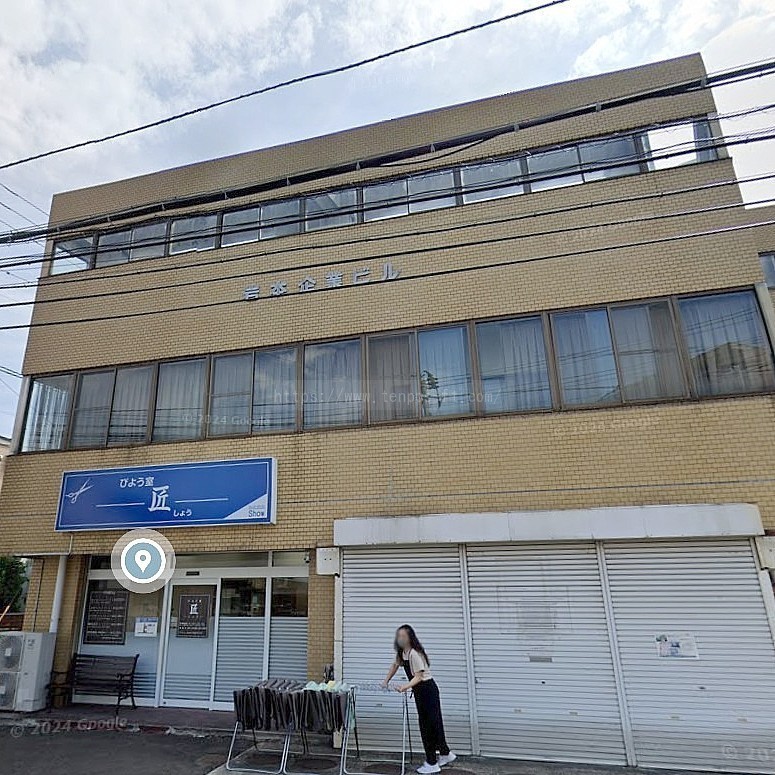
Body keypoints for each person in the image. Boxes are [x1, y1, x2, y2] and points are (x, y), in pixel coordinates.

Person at [381, 624, 456, 774]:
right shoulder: (402, 653)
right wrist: (386, 681)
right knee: (432, 724)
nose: (400, 638)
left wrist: (405, 687)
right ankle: (445, 753)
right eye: (399, 635)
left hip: (428, 690)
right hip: (420, 692)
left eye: (403, 636)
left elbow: (419, 676)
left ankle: (432, 763)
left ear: (410, 637)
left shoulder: (414, 653)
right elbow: (395, 665)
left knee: (428, 726)